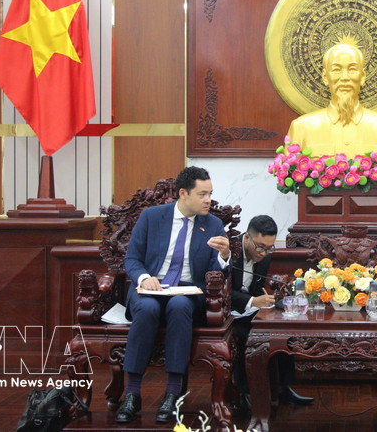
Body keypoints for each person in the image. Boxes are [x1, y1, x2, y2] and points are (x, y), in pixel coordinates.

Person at [116, 166, 232, 424]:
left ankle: (172, 393)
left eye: (210, 194)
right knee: (147, 310)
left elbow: (216, 274)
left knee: (179, 307)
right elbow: (132, 259)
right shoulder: (151, 217)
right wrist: (145, 278)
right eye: (202, 194)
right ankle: (132, 394)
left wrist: (224, 256)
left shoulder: (213, 224)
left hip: (188, 293)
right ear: (183, 193)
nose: (208, 200)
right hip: (150, 289)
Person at [231, 215, 314, 414]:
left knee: (284, 326)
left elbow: (258, 286)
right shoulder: (230, 252)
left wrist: (268, 301)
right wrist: (252, 301)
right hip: (230, 312)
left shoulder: (265, 255)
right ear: (246, 239)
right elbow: (221, 290)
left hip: (251, 309)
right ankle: (243, 394)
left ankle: (282, 388)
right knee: (247, 334)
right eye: (260, 247)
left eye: (269, 248)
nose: (264, 253)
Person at [285, 40, 377, 158]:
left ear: (363, 76)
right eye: (336, 70)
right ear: (325, 77)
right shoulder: (301, 128)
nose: (344, 78)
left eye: (352, 70)